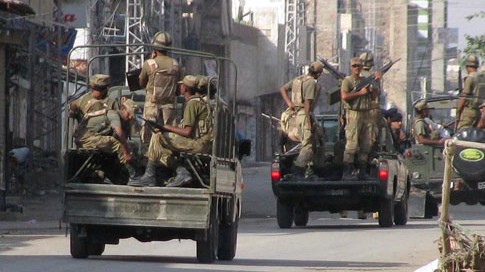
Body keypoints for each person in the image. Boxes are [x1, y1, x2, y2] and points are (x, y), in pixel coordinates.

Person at [128, 75, 213, 187]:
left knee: (158, 136)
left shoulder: (192, 104)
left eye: (181, 85)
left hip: (198, 144)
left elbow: (187, 132)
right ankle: (181, 172)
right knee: (163, 152)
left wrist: (166, 127)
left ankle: (149, 175)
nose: (179, 87)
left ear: (185, 88)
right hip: (204, 143)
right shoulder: (201, 102)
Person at [69, 74, 139, 182]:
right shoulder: (83, 101)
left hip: (100, 138)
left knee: (121, 145)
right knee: (119, 145)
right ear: (106, 88)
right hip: (92, 138)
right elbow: (118, 128)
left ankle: (116, 175)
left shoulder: (107, 102)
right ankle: (133, 177)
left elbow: (120, 124)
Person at [279, 61, 324, 177]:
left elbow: (283, 89)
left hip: (297, 115)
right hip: (305, 114)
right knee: (308, 145)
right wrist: (309, 121)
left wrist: (289, 103)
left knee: (311, 143)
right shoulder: (311, 83)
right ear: (318, 74)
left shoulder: (298, 79)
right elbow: (308, 103)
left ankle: (311, 169)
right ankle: (298, 169)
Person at [340, 58, 381, 181]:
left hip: (366, 113)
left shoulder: (365, 80)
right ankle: (347, 172)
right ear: (350, 67)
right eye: (354, 66)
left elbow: (374, 96)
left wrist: (376, 84)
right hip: (353, 114)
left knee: (367, 143)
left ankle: (362, 171)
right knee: (352, 144)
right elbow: (344, 96)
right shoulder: (347, 81)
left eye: (359, 66)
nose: (356, 68)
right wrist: (360, 93)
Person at [139, 31, 181, 144]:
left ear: (154, 46)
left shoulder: (149, 63)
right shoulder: (176, 65)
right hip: (169, 108)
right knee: (170, 138)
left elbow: (142, 83)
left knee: (147, 137)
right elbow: (178, 91)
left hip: (151, 107)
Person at [456, 54, 485, 131]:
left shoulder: (470, 77)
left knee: (461, 132)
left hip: (469, 111)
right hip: (480, 111)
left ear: (467, 66)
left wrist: (458, 111)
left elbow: (464, 96)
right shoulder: (483, 77)